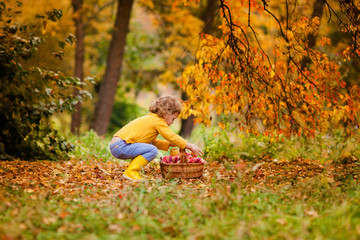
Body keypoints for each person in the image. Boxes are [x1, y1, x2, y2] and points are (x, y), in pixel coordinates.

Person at [110, 96, 203, 180]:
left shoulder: (151, 119)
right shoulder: (158, 121)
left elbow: (152, 141)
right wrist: (189, 145)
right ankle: (131, 171)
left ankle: (131, 171)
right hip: (122, 145)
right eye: (173, 119)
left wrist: (168, 144)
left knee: (149, 145)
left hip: (117, 145)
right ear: (167, 113)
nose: (172, 122)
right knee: (152, 150)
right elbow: (171, 136)